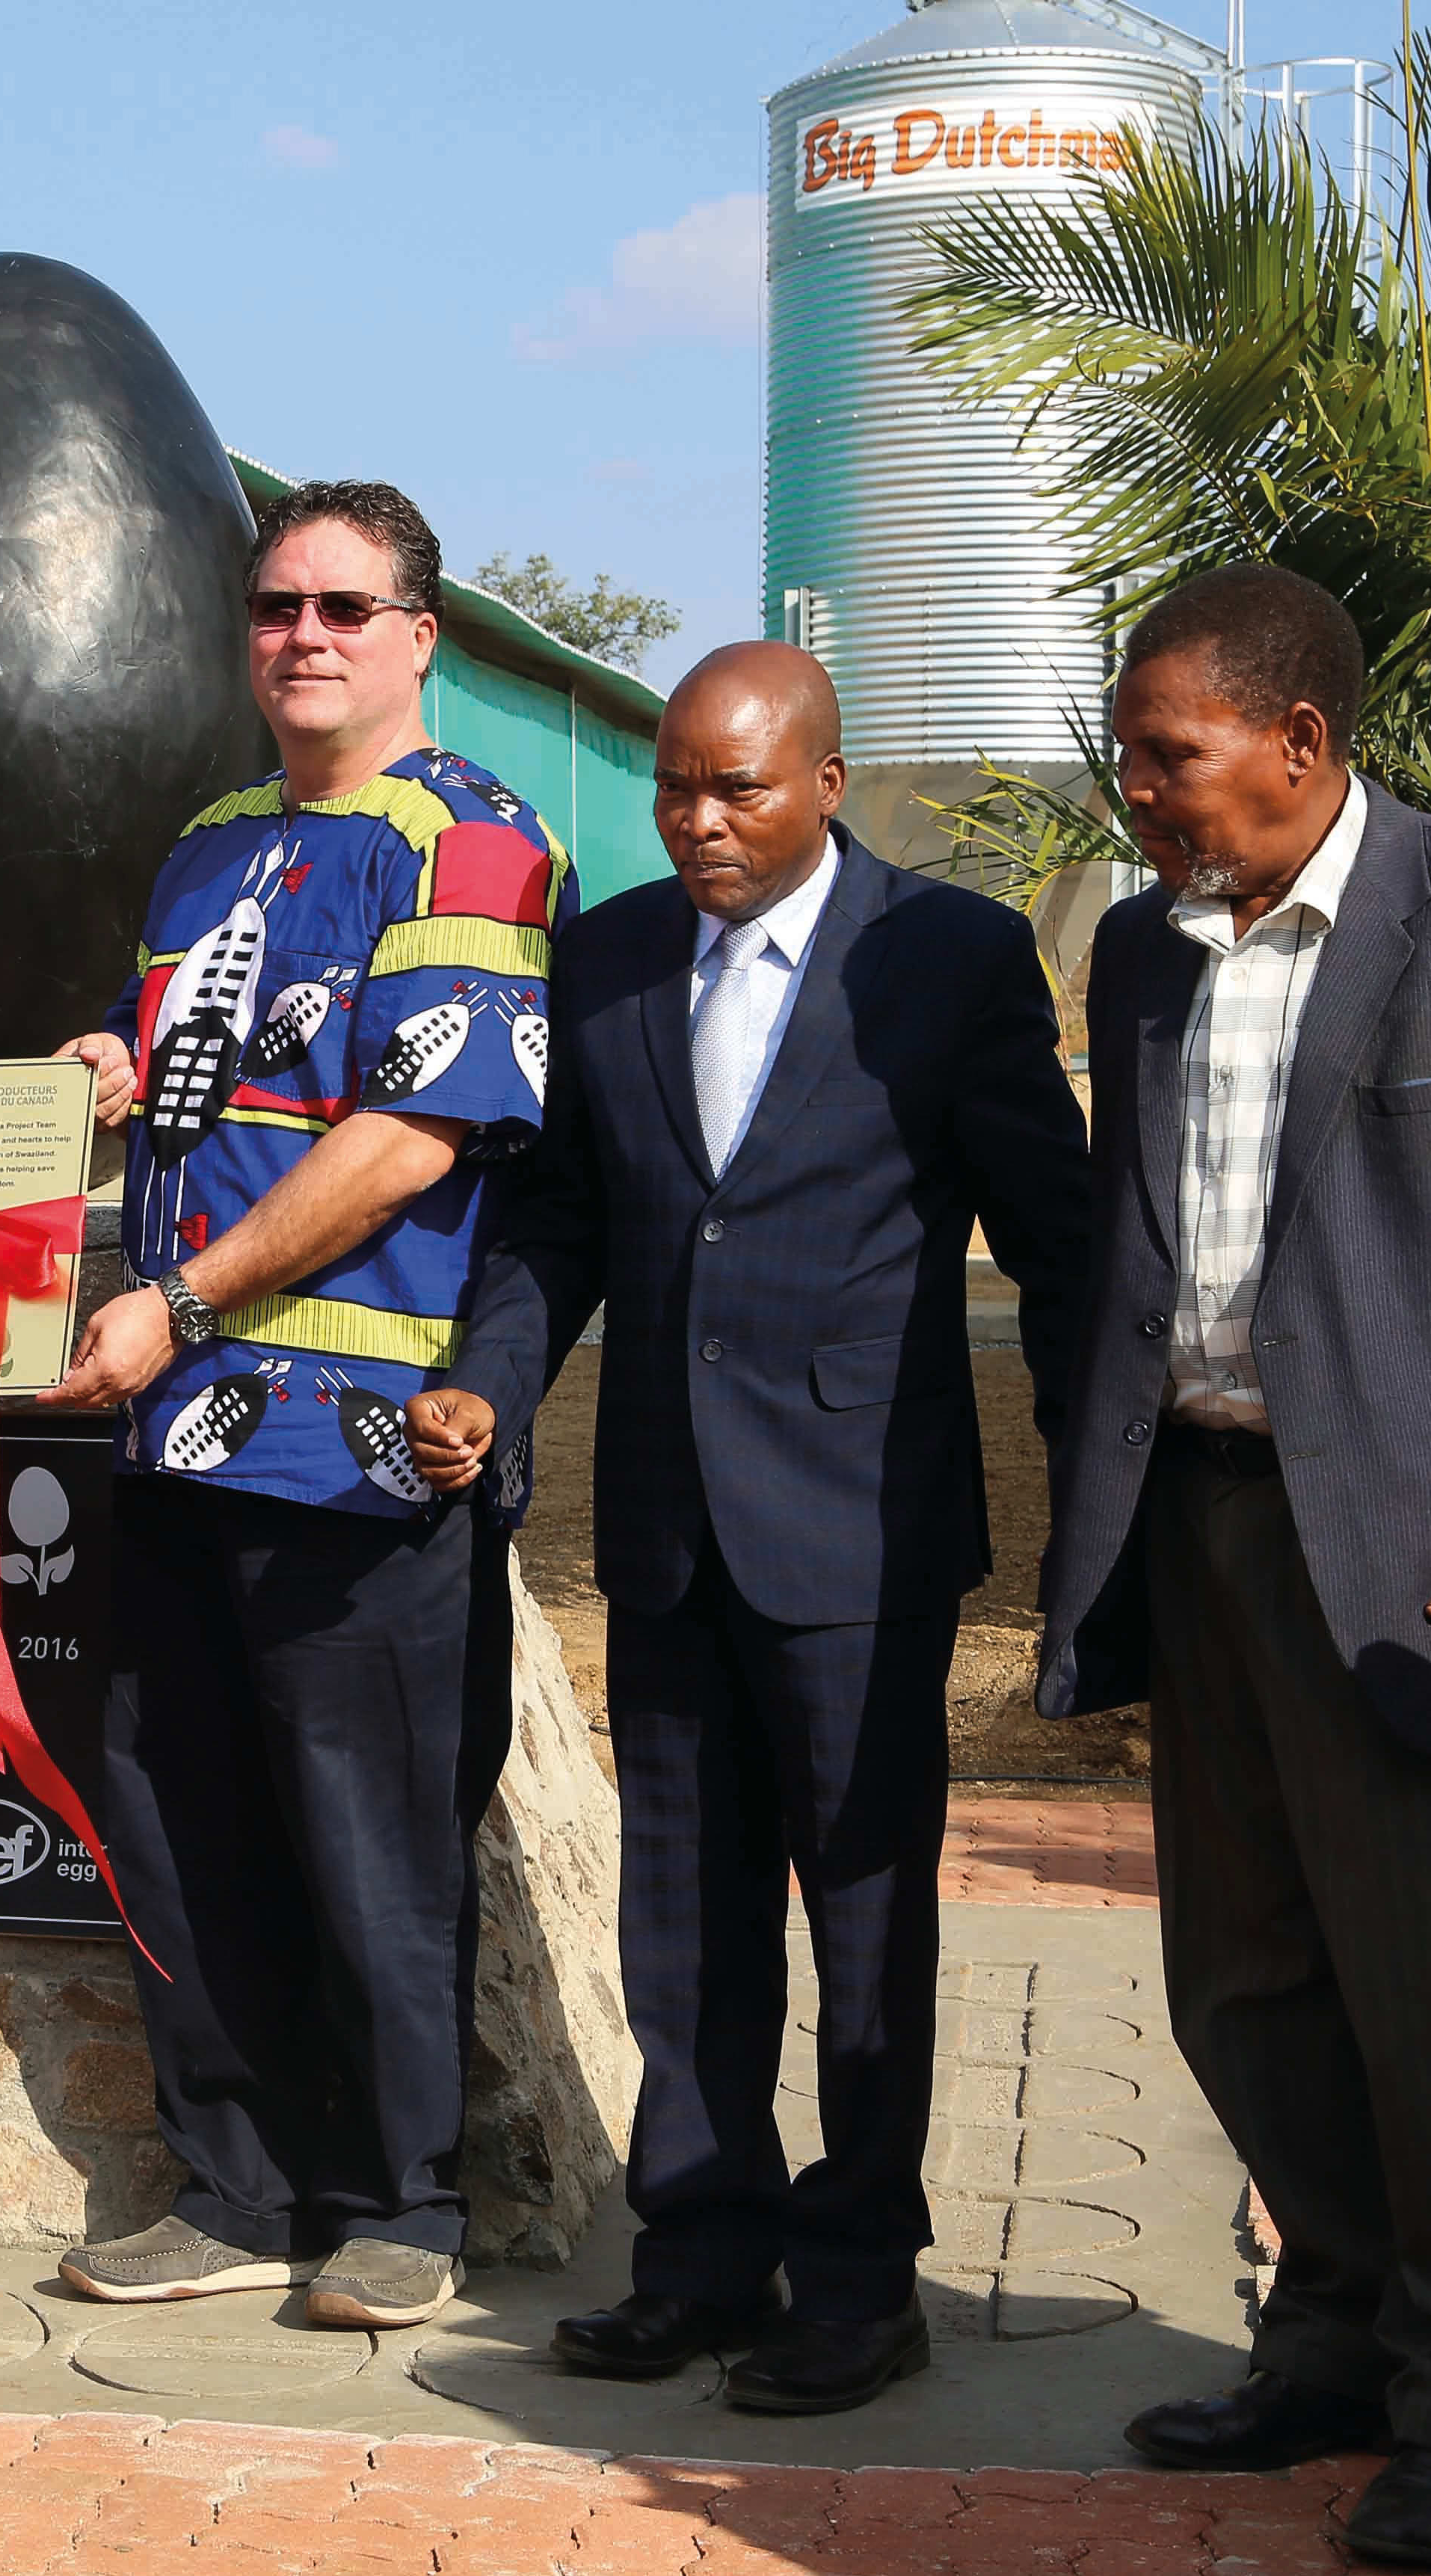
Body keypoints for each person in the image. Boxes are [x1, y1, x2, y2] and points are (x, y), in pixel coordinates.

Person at [1033, 564, 1431, 2572]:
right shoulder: (1143, 953)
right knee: (1238, 1983)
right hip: (1209, 1528)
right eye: (1127, 762)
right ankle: (1337, 2336)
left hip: (1422, 1564)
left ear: (1300, 742)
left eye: (1169, 760)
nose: (1135, 797)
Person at [405, 642, 1095, 2412]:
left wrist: (1106, 1462)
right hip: (663, 1523)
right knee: (687, 1919)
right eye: (674, 790)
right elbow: (561, 1211)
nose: (698, 823)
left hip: (859, 1529)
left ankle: (862, 2281)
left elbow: (1054, 1230)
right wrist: (495, 1371)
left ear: (829, 784)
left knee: (864, 1925)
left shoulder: (945, 957)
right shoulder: (614, 955)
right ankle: (700, 2255)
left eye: (739, 790)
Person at [36, 479, 558, 2334]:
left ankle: (402, 2199)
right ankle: (236, 2183)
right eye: (276, 605)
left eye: (346, 605)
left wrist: (175, 1298)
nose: (305, 636)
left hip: (351, 1446)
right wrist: (110, 1064)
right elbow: (179, 1070)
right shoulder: (211, 842)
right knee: (184, 1819)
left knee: (373, 1840)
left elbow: (413, 1135)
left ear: (421, 633)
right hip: (171, 1434)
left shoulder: (475, 845)